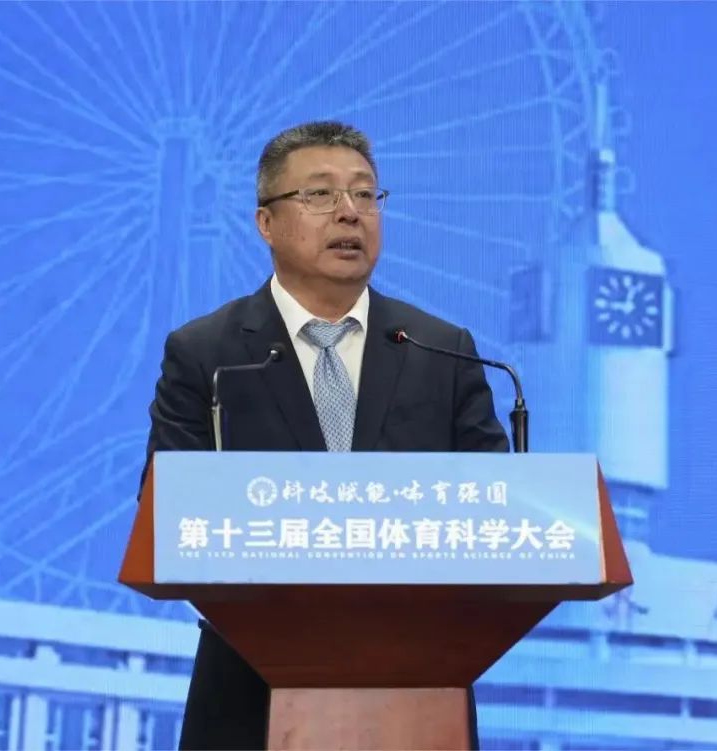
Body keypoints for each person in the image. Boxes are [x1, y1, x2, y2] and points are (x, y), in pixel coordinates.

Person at [141, 120, 509, 750]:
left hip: (417, 691)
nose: (349, 212)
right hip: (248, 691)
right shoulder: (207, 353)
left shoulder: (441, 350)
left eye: (365, 194)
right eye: (320, 194)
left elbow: (497, 508)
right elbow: (166, 512)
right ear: (266, 222)